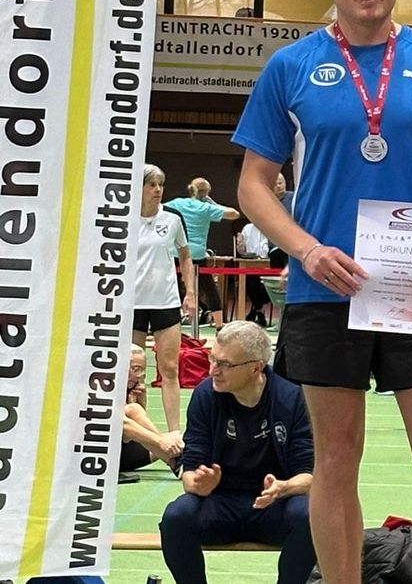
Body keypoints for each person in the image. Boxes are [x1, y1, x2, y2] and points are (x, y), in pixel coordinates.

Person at [232, 0, 412, 583]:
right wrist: (307, 251)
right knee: (337, 460)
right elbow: (254, 185)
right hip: (325, 287)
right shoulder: (290, 67)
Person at [159, 322, 316, 584]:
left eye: (225, 364)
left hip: (274, 504)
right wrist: (199, 484)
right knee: (176, 517)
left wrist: (283, 487)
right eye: (212, 359)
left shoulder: (292, 399)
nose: (213, 370)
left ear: (256, 367)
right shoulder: (205, 396)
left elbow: (309, 475)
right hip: (220, 502)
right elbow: (190, 470)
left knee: (310, 517)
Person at [135, 164, 196, 433]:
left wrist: (190, 293)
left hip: (165, 302)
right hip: (132, 304)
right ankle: (142, 435)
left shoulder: (173, 218)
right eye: (151, 185)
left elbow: (185, 255)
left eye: (160, 184)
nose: (158, 189)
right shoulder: (123, 218)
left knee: (169, 368)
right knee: (134, 373)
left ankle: (174, 434)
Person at [166, 177, 241, 330]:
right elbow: (234, 214)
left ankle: (169, 323)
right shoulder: (206, 208)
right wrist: (212, 203)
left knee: (171, 285)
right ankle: (219, 324)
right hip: (197, 254)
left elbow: (159, 208)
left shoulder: (178, 203)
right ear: (207, 193)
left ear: (190, 189)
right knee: (209, 287)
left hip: (176, 251)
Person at [121, 346, 184, 479]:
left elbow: (138, 429)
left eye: (143, 370)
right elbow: (124, 426)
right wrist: (162, 442)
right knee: (132, 410)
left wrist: (140, 402)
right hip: (104, 452)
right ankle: (172, 457)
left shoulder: (133, 389)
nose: (140, 375)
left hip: (126, 451)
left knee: (183, 440)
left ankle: (174, 456)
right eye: (136, 369)